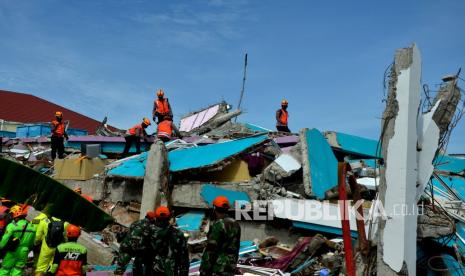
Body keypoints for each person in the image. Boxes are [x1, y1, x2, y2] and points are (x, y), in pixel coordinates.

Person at [199, 196, 241, 276]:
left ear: (214, 208)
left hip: (217, 268)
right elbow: (236, 247)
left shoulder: (219, 224)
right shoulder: (236, 224)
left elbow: (211, 249)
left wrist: (204, 270)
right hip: (230, 267)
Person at [115, 211, 157, 276]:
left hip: (126, 245)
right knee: (137, 266)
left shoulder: (136, 222)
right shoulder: (151, 226)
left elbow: (129, 231)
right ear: (152, 219)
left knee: (120, 267)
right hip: (137, 249)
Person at [150, 206, 189, 276]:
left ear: (156, 217)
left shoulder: (149, 232)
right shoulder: (178, 234)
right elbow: (184, 257)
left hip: (153, 270)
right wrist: (184, 272)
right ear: (169, 218)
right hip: (171, 271)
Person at [0, 205, 36, 276]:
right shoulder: (32, 228)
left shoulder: (12, 226)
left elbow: (4, 239)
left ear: (16, 216)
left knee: (5, 269)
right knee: (18, 270)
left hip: (12, 251)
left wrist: (1, 247)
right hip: (24, 252)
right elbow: (31, 243)